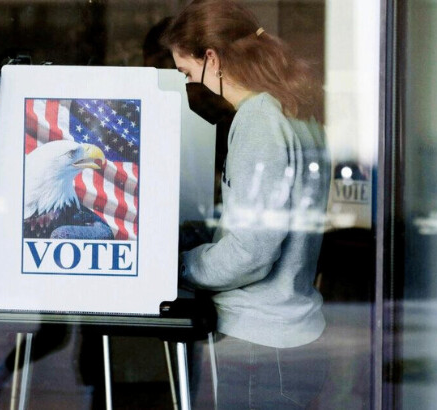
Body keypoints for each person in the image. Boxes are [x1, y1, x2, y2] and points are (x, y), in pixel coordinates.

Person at [162, 1, 330, 408]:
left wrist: (176, 265)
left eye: (187, 72)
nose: (190, 85)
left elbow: (252, 253)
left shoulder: (258, 120)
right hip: (294, 333)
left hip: (260, 343)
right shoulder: (297, 111)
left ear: (212, 58)